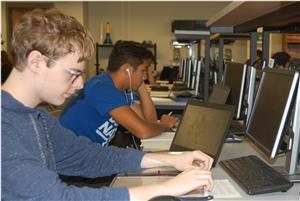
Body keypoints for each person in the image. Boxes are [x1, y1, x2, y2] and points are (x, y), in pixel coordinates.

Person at [2, 8, 213, 201]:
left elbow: (89, 156)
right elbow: (57, 198)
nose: (80, 84)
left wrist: (171, 160)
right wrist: (165, 188)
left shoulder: (36, 118)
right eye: (74, 74)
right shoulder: (5, 127)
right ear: (36, 62)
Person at [59, 40, 179, 147]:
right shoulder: (102, 89)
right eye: (144, 70)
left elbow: (149, 121)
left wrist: (140, 83)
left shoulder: (116, 89)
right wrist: (164, 125)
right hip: (70, 163)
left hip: (85, 157)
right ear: (128, 69)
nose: (146, 75)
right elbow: (143, 131)